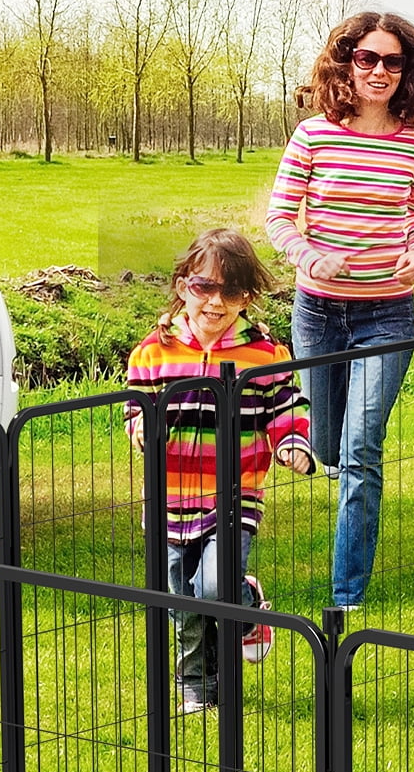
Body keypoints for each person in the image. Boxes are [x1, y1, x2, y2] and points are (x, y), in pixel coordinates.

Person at [265, 11, 414, 609]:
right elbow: (277, 219)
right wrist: (307, 255)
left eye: (392, 61)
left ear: (407, 70)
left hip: (387, 314)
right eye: (367, 58)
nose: (379, 71)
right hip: (318, 312)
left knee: (362, 450)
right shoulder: (313, 135)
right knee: (325, 447)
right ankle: (324, 470)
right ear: (346, 62)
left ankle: (347, 597)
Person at [125, 228, 315, 714]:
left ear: (247, 297)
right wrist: (141, 427)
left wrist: (293, 442)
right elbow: (135, 405)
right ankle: (196, 685)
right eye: (203, 287)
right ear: (182, 284)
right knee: (180, 600)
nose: (215, 302)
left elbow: (288, 407)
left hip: (235, 495)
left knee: (212, 587)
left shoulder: (264, 354)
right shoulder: (153, 352)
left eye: (231, 292)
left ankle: (243, 605)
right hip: (166, 497)